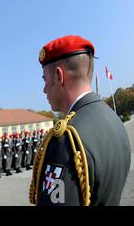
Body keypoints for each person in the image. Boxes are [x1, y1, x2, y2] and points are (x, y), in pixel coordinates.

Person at [30, 35, 131, 206]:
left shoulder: (66, 141)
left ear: (58, 76)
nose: (44, 89)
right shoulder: (114, 119)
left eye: (45, 79)